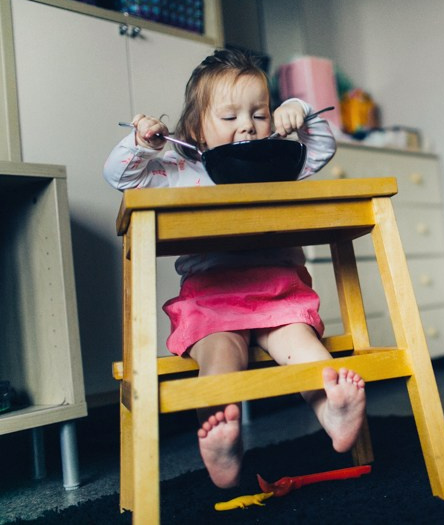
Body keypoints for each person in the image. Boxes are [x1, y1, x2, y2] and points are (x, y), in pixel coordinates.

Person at [104, 49, 366, 489]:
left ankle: (332, 411)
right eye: (229, 117)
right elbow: (120, 177)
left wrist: (298, 111)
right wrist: (142, 144)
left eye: (259, 114)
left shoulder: (275, 163)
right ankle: (223, 438)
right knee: (220, 358)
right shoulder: (180, 169)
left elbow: (321, 148)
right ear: (195, 128)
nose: (247, 125)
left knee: (301, 346)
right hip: (212, 300)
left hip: (278, 293)